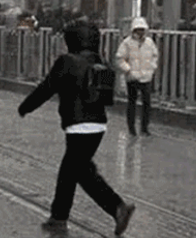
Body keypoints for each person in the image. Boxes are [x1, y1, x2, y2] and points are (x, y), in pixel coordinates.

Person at [17, 20, 136, 236]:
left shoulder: (66, 61)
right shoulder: (99, 61)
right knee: (73, 171)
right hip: (98, 125)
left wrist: (26, 106)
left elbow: (46, 88)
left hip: (77, 126)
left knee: (77, 173)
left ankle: (116, 207)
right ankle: (59, 217)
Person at [115, 17, 159, 136]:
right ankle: (132, 128)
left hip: (146, 77)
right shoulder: (127, 43)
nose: (140, 31)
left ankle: (144, 128)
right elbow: (120, 58)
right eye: (138, 29)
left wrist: (151, 68)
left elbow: (155, 56)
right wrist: (128, 70)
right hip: (133, 77)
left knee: (146, 103)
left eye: (142, 29)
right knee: (132, 103)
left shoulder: (149, 42)